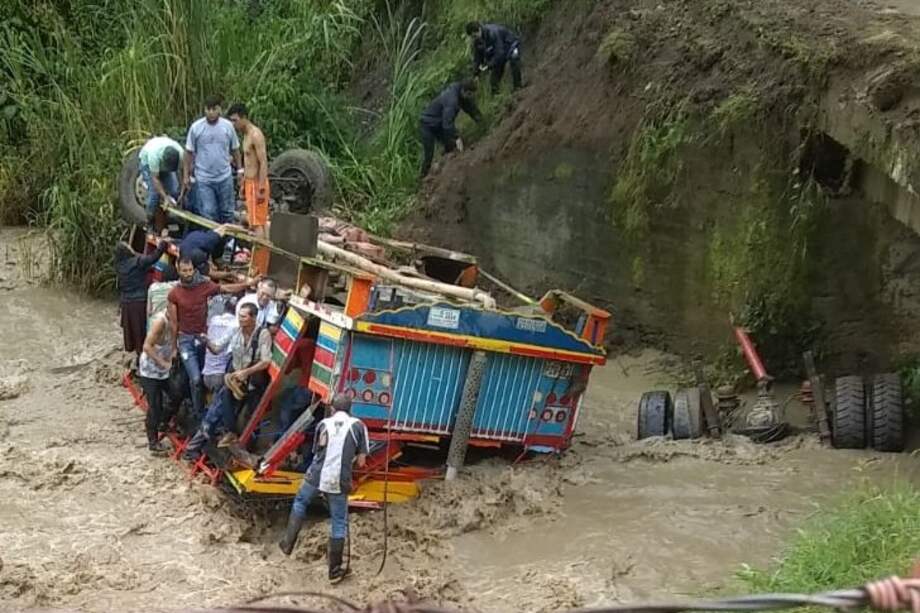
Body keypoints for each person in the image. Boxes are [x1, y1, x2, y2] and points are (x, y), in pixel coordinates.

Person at [278, 394, 370, 584]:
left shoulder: (323, 424)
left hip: (316, 475)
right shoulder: (359, 426)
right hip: (338, 480)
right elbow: (362, 461)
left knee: (301, 501)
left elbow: (318, 453)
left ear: (333, 409)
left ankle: (287, 544)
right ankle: (334, 571)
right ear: (350, 409)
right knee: (338, 521)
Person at [167, 256, 254, 424]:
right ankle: (199, 416)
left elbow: (225, 288)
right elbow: (173, 323)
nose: (188, 274)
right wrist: (173, 347)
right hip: (185, 340)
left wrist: (247, 285)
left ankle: (200, 410)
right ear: (178, 270)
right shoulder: (174, 294)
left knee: (204, 374)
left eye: (190, 270)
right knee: (196, 379)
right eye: (184, 271)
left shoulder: (203, 286)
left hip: (202, 338)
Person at [183, 302, 272, 460]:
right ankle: (194, 447)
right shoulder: (235, 330)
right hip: (234, 381)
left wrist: (246, 372)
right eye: (239, 316)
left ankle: (243, 450)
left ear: (253, 318)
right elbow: (217, 348)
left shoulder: (263, 334)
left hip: (253, 384)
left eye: (244, 317)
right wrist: (206, 341)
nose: (240, 319)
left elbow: (265, 361)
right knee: (215, 411)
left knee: (249, 420)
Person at [185, 95, 241, 223]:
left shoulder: (227, 126)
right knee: (209, 212)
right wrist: (186, 175)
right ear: (204, 110)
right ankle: (213, 241)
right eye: (208, 109)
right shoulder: (196, 128)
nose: (211, 112)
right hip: (204, 179)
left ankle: (229, 241)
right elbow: (188, 152)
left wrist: (240, 171)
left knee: (227, 211)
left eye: (214, 109)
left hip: (224, 177)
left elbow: (235, 149)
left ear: (219, 110)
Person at [115, 238, 167, 360]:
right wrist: (162, 244)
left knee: (132, 331)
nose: (131, 247)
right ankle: (144, 357)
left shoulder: (120, 265)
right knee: (141, 330)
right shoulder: (137, 262)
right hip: (138, 302)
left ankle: (138, 355)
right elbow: (153, 257)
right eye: (128, 246)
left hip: (126, 303)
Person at [419, 79, 482, 178]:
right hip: (428, 125)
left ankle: (445, 168)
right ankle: (423, 177)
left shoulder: (460, 93)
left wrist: (481, 122)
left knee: (450, 146)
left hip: (439, 123)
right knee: (429, 155)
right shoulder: (452, 101)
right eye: (469, 94)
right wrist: (457, 137)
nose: (470, 97)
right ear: (464, 91)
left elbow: (471, 109)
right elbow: (447, 124)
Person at [227, 103, 270, 247]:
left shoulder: (255, 135)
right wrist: (244, 183)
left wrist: (261, 188)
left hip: (257, 183)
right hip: (250, 182)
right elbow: (248, 162)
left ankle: (260, 261)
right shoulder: (245, 135)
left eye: (235, 120)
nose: (234, 124)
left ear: (243, 118)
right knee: (257, 221)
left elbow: (263, 162)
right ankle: (262, 259)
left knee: (258, 224)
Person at [139, 305, 174, 454]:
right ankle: (153, 442)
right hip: (150, 369)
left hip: (165, 368)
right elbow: (147, 346)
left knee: (175, 394)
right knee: (154, 406)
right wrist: (163, 362)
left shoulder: (178, 320)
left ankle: (163, 422)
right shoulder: (161, 321)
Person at [274, 331, 316, 443]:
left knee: (286, 406)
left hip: (305, 387)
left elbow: (288, 368)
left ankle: (279, 440)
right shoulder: (314, 345)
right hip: (316, 390)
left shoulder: (302, 344)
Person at [138, 136, 188, 227]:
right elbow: (155, 179)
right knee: (155, 195)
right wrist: (165, 197)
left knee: (173, 190)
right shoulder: (154, 156)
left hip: (163, 159)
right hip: (147, 164)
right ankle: (149, 220)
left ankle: (172, 216)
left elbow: (182, 172)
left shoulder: (180, 153)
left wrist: (182, 190)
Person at [466, 21, 522, 94]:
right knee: (494, 80)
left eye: (475, 36)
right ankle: (497, 97)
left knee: (514, 59)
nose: (474, 38)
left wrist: (488, 65)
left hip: (511, 45)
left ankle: (518, 87)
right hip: (498, 53)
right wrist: (476, 74)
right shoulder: (477, 41)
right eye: (472, 37)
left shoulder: (492, 33)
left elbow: (499, 53)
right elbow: (477, 58)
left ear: (479, 30)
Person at [201, 296, 238, 393]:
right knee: (217, 404)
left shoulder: (214, 320)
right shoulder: (236, 324)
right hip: (221, 373)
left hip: (206, 372)